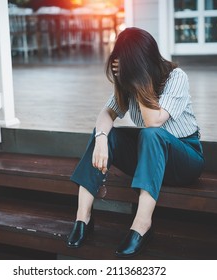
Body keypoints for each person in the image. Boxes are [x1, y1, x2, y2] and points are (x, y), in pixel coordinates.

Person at [66, 27, 204, 257]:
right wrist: (101, 139)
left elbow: (153, 122)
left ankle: (141, 226)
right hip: (151, 157)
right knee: (105, 132)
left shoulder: (176, 77)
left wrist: (138, 80)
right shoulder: (129, 80)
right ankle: (83, 218)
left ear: (141, 63)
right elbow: (106, 114)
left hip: (185, 159)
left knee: (150, 134)